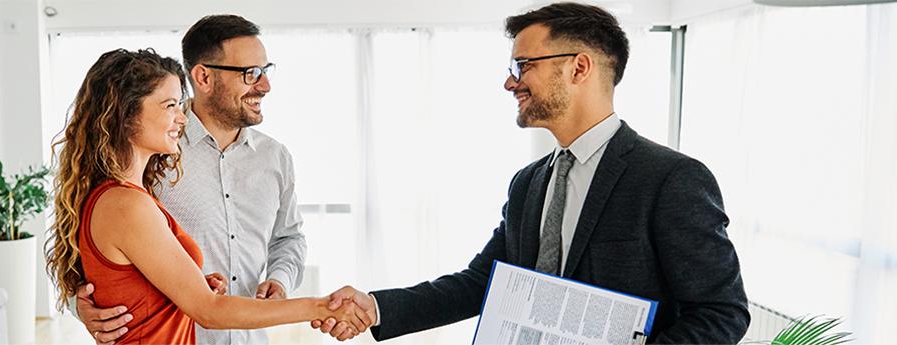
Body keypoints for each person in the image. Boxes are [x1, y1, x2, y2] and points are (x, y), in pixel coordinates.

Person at [313, 2, 750, 343]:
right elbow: (485, 282)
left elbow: (721, 312)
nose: (510, 82)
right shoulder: (529, 182)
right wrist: (374, 306)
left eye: (524, 66)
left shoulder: (671, 179)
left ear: (579, 67)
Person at [46, 48, 369, 345]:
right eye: (170, 105)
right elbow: (210, 311)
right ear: (126, 114)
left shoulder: (128, 195)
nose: (181, 117)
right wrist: (322, 306)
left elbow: (139, 284)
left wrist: (193, 282)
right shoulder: (126, 204)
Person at [71, 15, 309, 345]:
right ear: (203, 76)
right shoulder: (150, 150)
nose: (265, 86)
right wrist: (81, 304)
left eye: (266, 71)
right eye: (250, 73)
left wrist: (280, 280)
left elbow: (289, 238)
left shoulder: (275, 157)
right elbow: (88, 246)